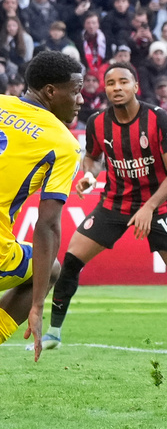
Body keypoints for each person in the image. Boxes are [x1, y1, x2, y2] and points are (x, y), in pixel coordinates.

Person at [40, 62, 167, 349]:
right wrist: (90, 174)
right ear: (105, 88)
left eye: (123, 82)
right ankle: (53, 333)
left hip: (157, 206)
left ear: (135, 86)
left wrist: (149, 207)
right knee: (71, 261)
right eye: (111, 83)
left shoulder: (160, 118)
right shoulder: (98, 122)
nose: (117, 87)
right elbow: (93, 156)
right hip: (114, 203)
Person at [0, 51, 83, 360]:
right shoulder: (63, 144)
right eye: (76, 90)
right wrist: (36, 306)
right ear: (50, 91)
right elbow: (47, 224)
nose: (80, 100)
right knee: (50, 269)